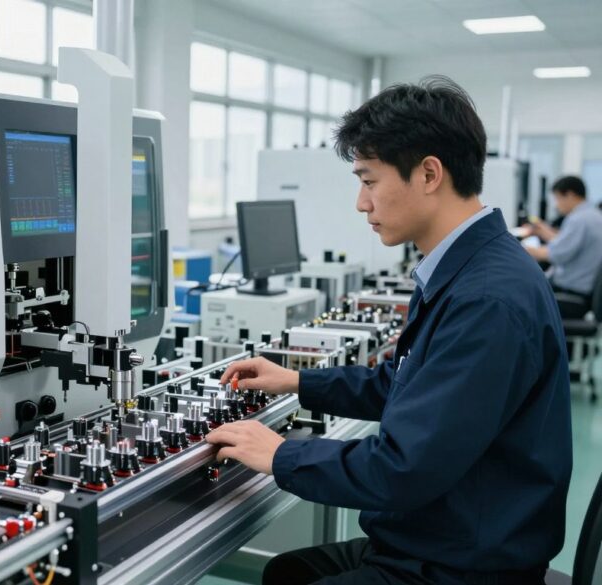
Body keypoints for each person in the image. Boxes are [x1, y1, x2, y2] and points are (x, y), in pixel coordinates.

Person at [208, 77, 572, 584]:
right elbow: (402, 387)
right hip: (440, 534)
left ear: (428, 174)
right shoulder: (463, 268)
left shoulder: (486, 300)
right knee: (287, 572)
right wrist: (297, 381)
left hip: (463, 564)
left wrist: (281, 453)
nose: (361, 202)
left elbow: (404, 468)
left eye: (369, 180)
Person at [522, 176, 602, 318]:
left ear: (570, 195)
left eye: (558, 199)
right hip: (582, 291)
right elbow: (567, 243)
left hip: (571, 294)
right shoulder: (593, 215)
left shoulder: (579, 219)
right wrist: (544, 230)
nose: (556, 205)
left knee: (519, 296)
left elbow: (556, 254)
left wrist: (520, 249)